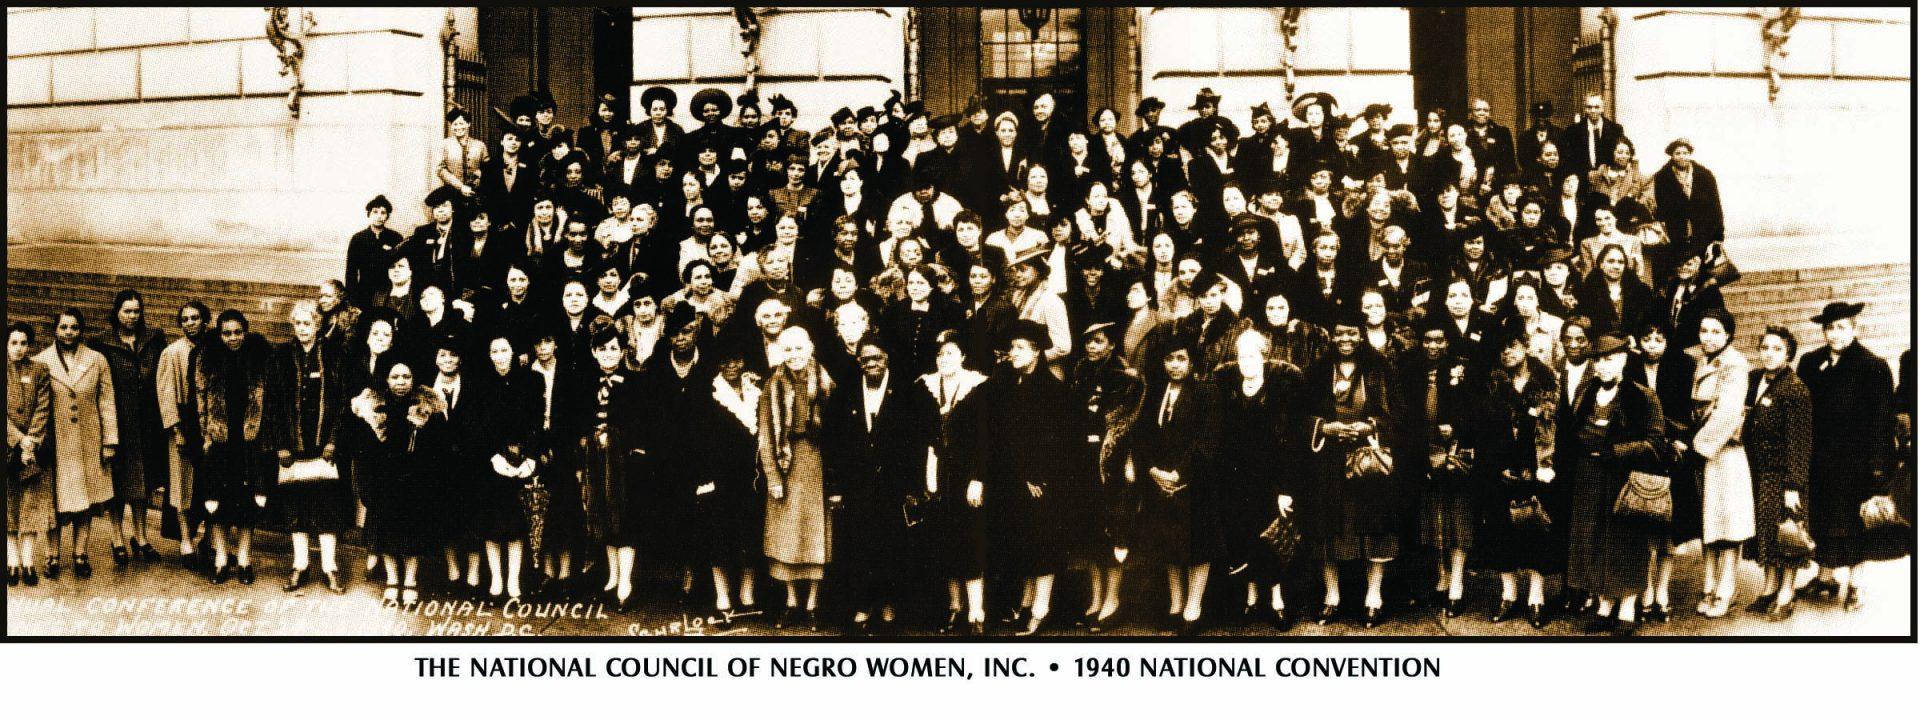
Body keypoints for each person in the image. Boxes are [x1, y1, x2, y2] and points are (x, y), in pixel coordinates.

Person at [969, 320, 1076, 635]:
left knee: (1043, 544)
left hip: (1042, 483)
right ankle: (1027, 604)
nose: (1012, 353)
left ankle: (1040, 609)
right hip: (1013, 480)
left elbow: (1059, 443)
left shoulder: (1054, 391)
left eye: (1019, 348)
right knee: (1024, 544)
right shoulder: (1006, 385)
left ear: (1036, 351)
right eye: (1011, 347)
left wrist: (1037, 476)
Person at [824, 334, 934, 635]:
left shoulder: (909, 392)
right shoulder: (845, 392)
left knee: (892, 547)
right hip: (856, 485)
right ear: (858, 361)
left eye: (877, 357)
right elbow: (832, 442)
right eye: (865, 358)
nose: (871, 363)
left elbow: (920, 441)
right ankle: (862, 606)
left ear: (887, 359)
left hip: (894, 486)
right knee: (858, 546)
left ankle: (888, 607)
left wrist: (913, 487)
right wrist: (835, 487)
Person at [1303, 308, 1401, 628]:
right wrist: (1324, 427)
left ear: (1361, 335)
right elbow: (1299, 415)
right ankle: (1332, 596)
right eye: (1339, 333)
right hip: (1327, 461)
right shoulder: (1318, 370)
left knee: (1374, 527)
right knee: (1328, 529)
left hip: (1367, 461)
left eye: (1351, 333)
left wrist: (1370, 426)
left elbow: (1396, 413)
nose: (1345, 339)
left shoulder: (1379, 367)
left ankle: (1374, 596)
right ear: (1331, 336)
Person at [1563, 332, 1666, 635]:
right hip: (1589, 477)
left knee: (1624, 542)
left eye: (1608, 359)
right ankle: (1604, 607)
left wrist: (1617, 451)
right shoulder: (1586, 392)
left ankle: (1628, 609)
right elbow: (1571, 429)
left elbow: (1655, 441)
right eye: (1597, 360)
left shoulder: (1641, 396)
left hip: (1624, 481)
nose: (1602, 366)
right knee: (1593, 539)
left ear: (1622, 360)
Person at [1796, 301, 1895, 611]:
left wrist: (1878, 472)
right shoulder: (1811, 362)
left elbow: (1882, 422)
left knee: (1854, 525)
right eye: (1829, 328)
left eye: (1841, 327)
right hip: (1820, 460)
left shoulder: (1872, 366)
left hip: (1856, 463)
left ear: (1854, 329)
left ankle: (1855, 584)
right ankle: (1825, 578)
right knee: (1823, 520)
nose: (1834, 334)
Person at [1214, 329, 1306, 630]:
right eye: (1242, 357)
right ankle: (1252, 599)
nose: (1247, 362)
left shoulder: (1278, 393)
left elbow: (1289, 444)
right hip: (1237, 479)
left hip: (1270, 480)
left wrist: (1284, 489)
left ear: (1264, 358)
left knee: (1271, 540)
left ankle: (1277, 601)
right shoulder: (1229, 390)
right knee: (1243, 536)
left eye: (1252, 356)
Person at [347, 358, 448, 605]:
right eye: (395, 377)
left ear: (414, 379)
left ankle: (410, 580)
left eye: (406, 377)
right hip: (383, 483)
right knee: (386, 534)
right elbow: (363, 453)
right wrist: (367, 488)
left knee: (412, 535)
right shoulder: (372, 409)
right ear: (386, 379)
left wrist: (429, 482)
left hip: (415, 484)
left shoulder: (427, 408)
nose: (401, 382)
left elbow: (438, 451)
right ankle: (392, 580)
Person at [1476, 330, 1559, 628]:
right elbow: (1482, 428)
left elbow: (1553, 426)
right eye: (1502, 348)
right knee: (1501, 529)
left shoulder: (1546, 380)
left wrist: (1543, 465)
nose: (1507, 352)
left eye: (1512, 345)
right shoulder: (1492, 381)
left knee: (1538, 527)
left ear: (1525, 346)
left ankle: (1536, 596)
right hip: (1500, 467)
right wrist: (1495, 465)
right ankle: (1508, 594)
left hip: (1538, 466)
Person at [564, 322, 646, 610]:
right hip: (594, 462)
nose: (608, 354)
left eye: (613, 348)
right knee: (602, 515)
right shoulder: (585, 384)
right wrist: (584, 448)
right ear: (593, 352)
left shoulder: (635, 383)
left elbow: (641, 423)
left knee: (624, 517)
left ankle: (626, 582)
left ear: (622, 351)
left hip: (624, 463)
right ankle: (612, 576)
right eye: (602, 349)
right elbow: (577, 423)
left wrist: (619, 440)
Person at [759, 325, 834, 630]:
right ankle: (791, 601)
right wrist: (773, 477)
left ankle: (813, 603)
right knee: (787, 535)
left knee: (816, 534)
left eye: (799, 348)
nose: (793, 355)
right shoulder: (772, 385)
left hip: (819, 466)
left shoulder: (827, 383)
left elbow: (839, 434)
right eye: (787, 349)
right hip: (786, 465)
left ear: (810, 347)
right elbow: (766, 436)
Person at [270, 301, 348, 594]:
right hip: (293, 448)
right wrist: (281, 445)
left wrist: (333, 441)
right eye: (297, 323)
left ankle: (330, 568)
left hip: (324, 446)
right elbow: (274, 403)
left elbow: (343, 402)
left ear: (318, 325)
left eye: (307, 323)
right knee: (296, 508)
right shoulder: (281, 356)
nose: (302, 329)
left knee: (327, 507)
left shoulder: (334, 354)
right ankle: (300, 565)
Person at [192, 310, 275, 585]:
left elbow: (269, 400)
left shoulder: (259, 357)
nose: (232, 338)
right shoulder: (208, 357)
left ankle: (244, 559)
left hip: (249, 441)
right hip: (220, 441)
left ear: (246, 331)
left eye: (238, 332)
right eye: (226, 333)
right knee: (218, 501)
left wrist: (263, 437)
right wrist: (206, 435)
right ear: (219, 334)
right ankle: (221, 558)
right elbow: (200, 399)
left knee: (247, 502)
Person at [1402, 317, 1476, 617]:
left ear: (1448, 342)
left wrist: (1456, 427)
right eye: (1428, 340)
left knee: (1458, 517)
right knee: (1432, 519)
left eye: (1439, 340)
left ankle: (1457, 581)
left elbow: (1476, 410)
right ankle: (1441, 575)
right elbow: (1404, 414)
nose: (1433, 346)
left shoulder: (1461, 369)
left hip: (1455, 454)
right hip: (1424, 454)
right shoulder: (1411, 370)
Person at [686, 339, 764, 622]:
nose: (731, 366)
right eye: (725, 360)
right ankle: (723, 594)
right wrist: (704, 477)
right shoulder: (709, 392)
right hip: (719, 476)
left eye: (736, 360)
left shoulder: (756, 390)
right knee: (718, 534)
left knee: (749, 534)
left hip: (751, 476)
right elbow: (697, 440)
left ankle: (747, 593)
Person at [36, 309, 117, 582]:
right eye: (63, 327)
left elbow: (107, 402)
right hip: (56, 445)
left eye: (74, 327)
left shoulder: (97, 359)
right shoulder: (41, 361)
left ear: (81, 330)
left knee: (86, 501)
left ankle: (80, 553)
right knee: (55, 501)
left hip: (88, 442)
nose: (68, 332)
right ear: (55, 330)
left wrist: (109, 441)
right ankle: (52, 554)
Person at [1685, 309, 1754, 618]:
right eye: (1704, 331)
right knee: (1710, 522)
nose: (1708, 337)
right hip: (1705, 451)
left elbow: (1727, 413)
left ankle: (1725, 588)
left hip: (1723, 452)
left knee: (1727, 523)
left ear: (1728, 335)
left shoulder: (1734, 365)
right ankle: (1709, 584)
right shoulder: (1703, 362)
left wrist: (1699, 446)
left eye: (1716, 332)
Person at [91, 289, 167, 567]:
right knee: (117, 483)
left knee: (142, 483)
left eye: (136, 311)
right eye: (127, 311)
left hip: (147, 424)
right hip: (117, 422)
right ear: (117, 312)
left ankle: (141, 537)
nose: (132, 316)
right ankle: (117, 537)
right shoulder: (102, 343)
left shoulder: (154, 338)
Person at [1742, 326, 1813, 619]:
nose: (1769, 354)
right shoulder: (1755, 379)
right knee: (1766, 532)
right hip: (1758, 471)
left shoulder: (1795, 389)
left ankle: (1787, 592)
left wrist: (1793, 485)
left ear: (1788, 355)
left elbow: (1800, 441)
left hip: (1782, 474)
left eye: (1777, 349)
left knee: (1787, 533)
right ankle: (1769, 587)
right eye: (1765, 348)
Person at [470, 335, 540, 599]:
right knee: (492, 525)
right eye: (494, 351)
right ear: (489, 355)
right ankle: (496, 580)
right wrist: (493, 457)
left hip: (521, 460)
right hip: (491, 462)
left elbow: (536, 422)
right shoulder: (480, 383)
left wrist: (530, 457)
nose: (499, 356)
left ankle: (513, 580)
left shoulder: (531, 380)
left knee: (516, 524)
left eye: (504, 350)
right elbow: (476, 425)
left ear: (513, 352)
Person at [8, 323, 54, 587]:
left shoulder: (40, 370)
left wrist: (32, 442)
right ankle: (12, 561)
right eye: (14, 343)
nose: (19, 348)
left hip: (33, 451)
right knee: (9, 506)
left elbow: (43, 408)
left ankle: (28, 561)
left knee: (31, 506)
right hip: (8, 448)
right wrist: (18, 439)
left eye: (23, 343)